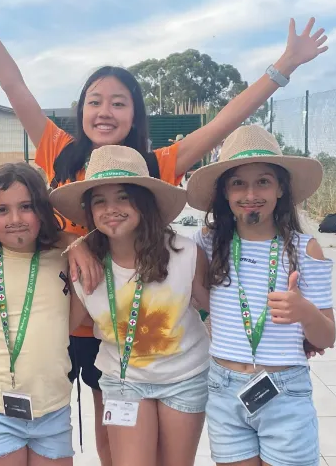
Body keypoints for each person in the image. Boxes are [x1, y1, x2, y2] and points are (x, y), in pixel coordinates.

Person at [0, 0, 329, 461]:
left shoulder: (158, 166)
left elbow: (222, 124)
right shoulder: (57, 150)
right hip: (72, 318)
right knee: (107, 434)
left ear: (135, 114)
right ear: (81, 110)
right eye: (94, 101)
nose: (105, 111)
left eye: (119, 103)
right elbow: (13, 83)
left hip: (143, 326)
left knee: (123, 433)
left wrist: (284, 66)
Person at [49, 145, 212, 466]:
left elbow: (219, 313)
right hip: (123, 382)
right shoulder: (85, 268)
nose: (111, 208)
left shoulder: (186, 253)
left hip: (185, 378)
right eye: (100, 201)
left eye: (123, 197)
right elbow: (60, 329)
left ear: (144, 202)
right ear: (89, 211)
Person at [186, 125, 335, 466]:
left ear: (281, 187)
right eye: (238, 182)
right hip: (224, 391)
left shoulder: (305, 249)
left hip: (284, 393)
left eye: (263, 181)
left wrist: (304, 312)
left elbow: (327, 336)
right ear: (224, 191)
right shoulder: (207, 243)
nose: (250, 193)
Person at [0, 162, 92, 465]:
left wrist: (72, 242)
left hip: (52, 408)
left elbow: (66, 326)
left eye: (26, 207)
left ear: (42, 208)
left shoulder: (62, 258)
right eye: (1, 210)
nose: (15, 219)